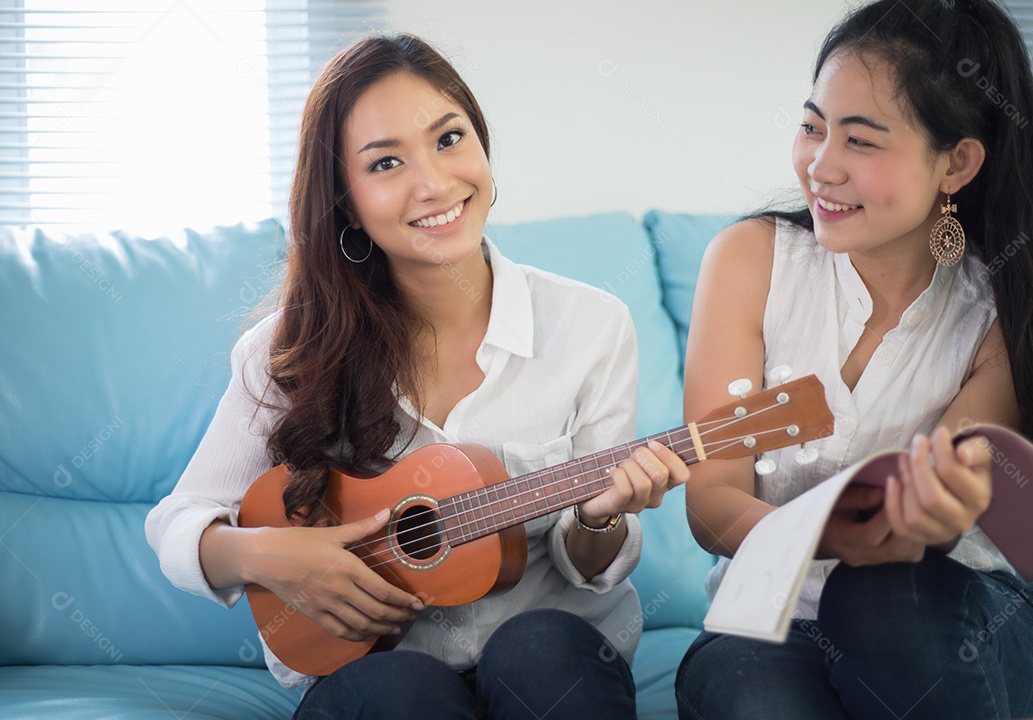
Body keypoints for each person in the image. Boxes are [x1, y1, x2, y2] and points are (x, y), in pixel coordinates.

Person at [145, 34, 689, 720]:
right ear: (344, 201)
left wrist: (600, 517)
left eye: (450, 138)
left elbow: (590, 562)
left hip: (549, 666)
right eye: (387, 162)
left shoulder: (592, 324)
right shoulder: (287, 348)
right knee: (400, 689)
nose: (433, 183)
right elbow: (176, 526)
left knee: (544, 647)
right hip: (371, 674)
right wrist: (273, 558)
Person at [675, 1, 1033, 718]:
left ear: (956, 162)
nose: (819, 166)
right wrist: (823, 532)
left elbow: (935, 525)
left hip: (955, 609)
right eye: (811, 127)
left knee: (885, 598)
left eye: (861, 142)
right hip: (773, 620)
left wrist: (932, 511)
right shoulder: (748, 260)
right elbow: (711, 503)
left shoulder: (1006, 308)